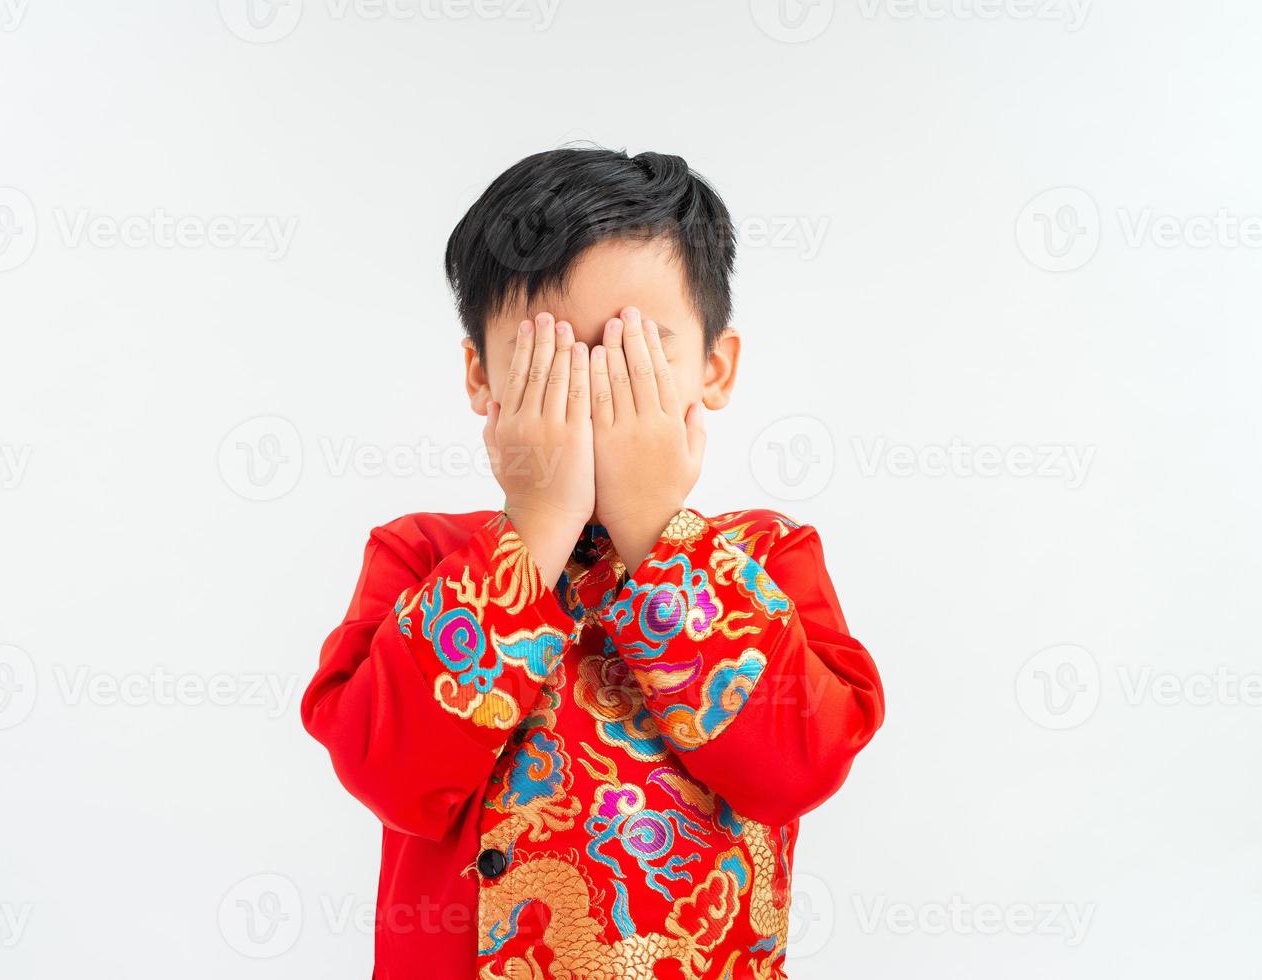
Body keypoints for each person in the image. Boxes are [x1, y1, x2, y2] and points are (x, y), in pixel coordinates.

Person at [302, 146, 885, 979]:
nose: (593, 391)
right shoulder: (420, 555)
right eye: (551, 360)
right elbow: (391, 774)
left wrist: (653, 526)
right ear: (482, 377)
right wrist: (536, 525)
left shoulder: (765, 556)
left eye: (631, 355)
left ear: (713, 369)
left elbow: (795, 768)